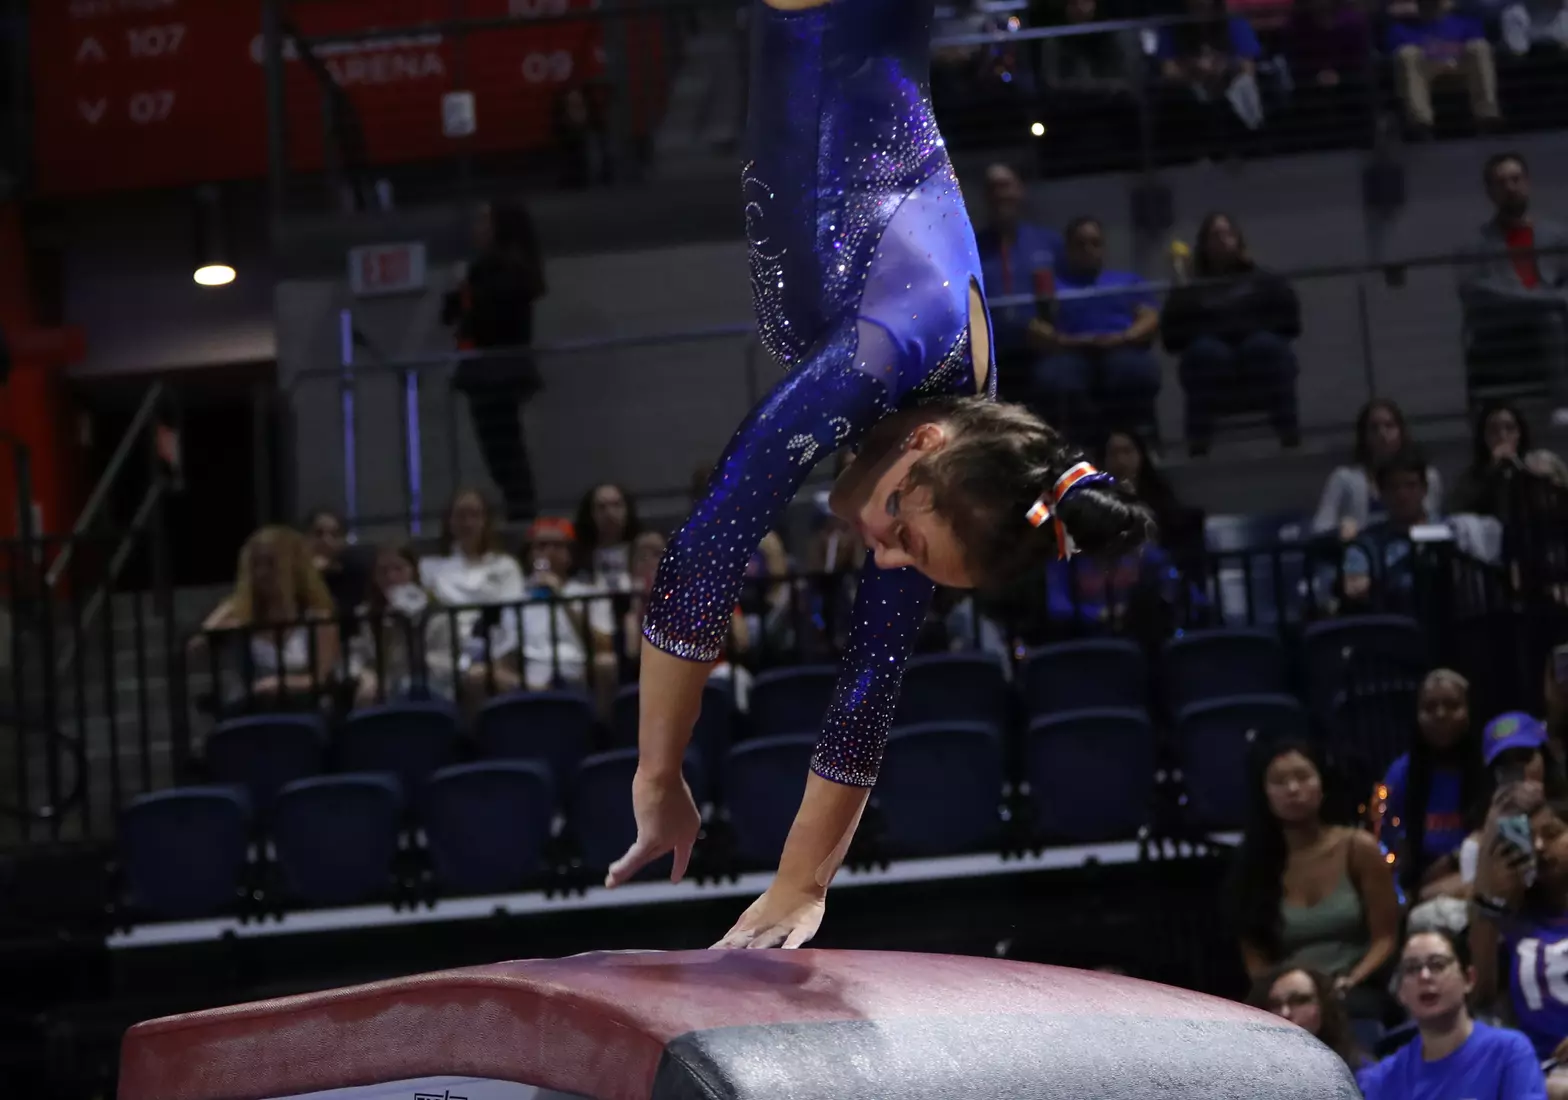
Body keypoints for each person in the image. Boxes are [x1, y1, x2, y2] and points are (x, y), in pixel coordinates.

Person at [605, 0, 1153, 950]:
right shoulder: (885, 355)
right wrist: (657, 778)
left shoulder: (967, 456)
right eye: (906, 532)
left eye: (912, 560)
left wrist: (801, 884)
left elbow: (871, 681)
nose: (883, 553)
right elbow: (709, 545)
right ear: (926, 448)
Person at [1226, 738, 1400, 1020]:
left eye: (1303, 777)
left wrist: (1351, 981)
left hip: (1355, 990)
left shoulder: (1358, 848)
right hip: (1287, 1003)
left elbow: (1386, 938)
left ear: (1322, 784)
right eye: (1280, 782)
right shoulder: (1251, 866)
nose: (1293, 789)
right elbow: (1256, 962)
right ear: (1264, 793)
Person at [1159, 212, 1301, 455]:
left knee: (1265, 346)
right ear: (1203, 245)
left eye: (1228, 234)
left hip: (1258, 356)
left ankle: (1289, 436)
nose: (1222, 240)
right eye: (1215, 235)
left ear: (1239, 240)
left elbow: (1292, 321)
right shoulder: (1191, 287)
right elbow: (1171, 338)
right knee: (1206, 353)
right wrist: (1181, 287)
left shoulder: (1262, 279)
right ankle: (1198, 445)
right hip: (1212, 361)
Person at [443, 199, 549, 522]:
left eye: (484, 222)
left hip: (495, 371)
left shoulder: (503, 269)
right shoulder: (501, 268)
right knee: (502, 450)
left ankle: (522, 513)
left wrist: (466, 295)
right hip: (495, 370)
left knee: (503, 451)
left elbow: (481, 315)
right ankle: (520, 510)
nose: (477, 229)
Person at [1357, 927, 1547, 1099]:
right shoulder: (1383, 1078)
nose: (1425, 976)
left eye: (1437, 965)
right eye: (1412, 969)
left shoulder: (1508, 1051)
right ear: (1400, 993)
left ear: (1469, 979)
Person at [1470, 782, 1568, 1099]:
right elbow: (1481, 993)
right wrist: (1491, 846)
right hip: (1536, 1071)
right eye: (1529, 837)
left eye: (1552, 833)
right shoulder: (1511, 920)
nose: (1539, 846)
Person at [1028, 215, 1162, 441]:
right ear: (1068, 248)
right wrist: (1067, 342)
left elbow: (1150, 317)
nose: (1088, 249)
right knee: (1053, 378)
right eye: (1080, 244)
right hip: (1071, 352)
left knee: (1133, 370)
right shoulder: (1053, 286)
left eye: (1094, 243)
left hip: (1121, 348)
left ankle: (1136, 443)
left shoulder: (1127, 280)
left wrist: (1123, 337)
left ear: (1103, 247)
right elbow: (1034, 326)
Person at [1459, 153, 1568, 424]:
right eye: (1501, 182)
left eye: (1516, 179)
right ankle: (1563, 402)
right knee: (1551, 316)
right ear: (1490, 192)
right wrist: (1550, 300)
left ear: (1527, 183)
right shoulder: (1476, 244)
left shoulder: (1557, 236)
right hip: (1502, 330)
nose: (1510, 187)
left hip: (1552, 326)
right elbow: (1475, 292)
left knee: (1553, 317)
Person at [1374, 669, 1483, 901]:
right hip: (1422, 885)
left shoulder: (1489, 765)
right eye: (1429, 708)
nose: (1441, 714)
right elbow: (1384, 842)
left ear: (1470, 711)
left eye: (1452, 705)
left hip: (1483, 875)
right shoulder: (1398, 774)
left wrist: (1455, 858)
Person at [1311, 398, 1444, 540]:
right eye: (1374, 428)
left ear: (1401, 431)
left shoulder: (1428, 476)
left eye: (1389, 426)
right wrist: (1340, 531)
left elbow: (1433, 521)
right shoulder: (1343, 479)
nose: (1382, 434)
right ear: (1364, 436)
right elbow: (1319, 528)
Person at [1246, 965, 1368, 1071]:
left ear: (1324, 1006)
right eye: (1274, 1005)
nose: (1285, 1013)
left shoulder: (1361, 1072)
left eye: (1299, 1001)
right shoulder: (1250, 1070)